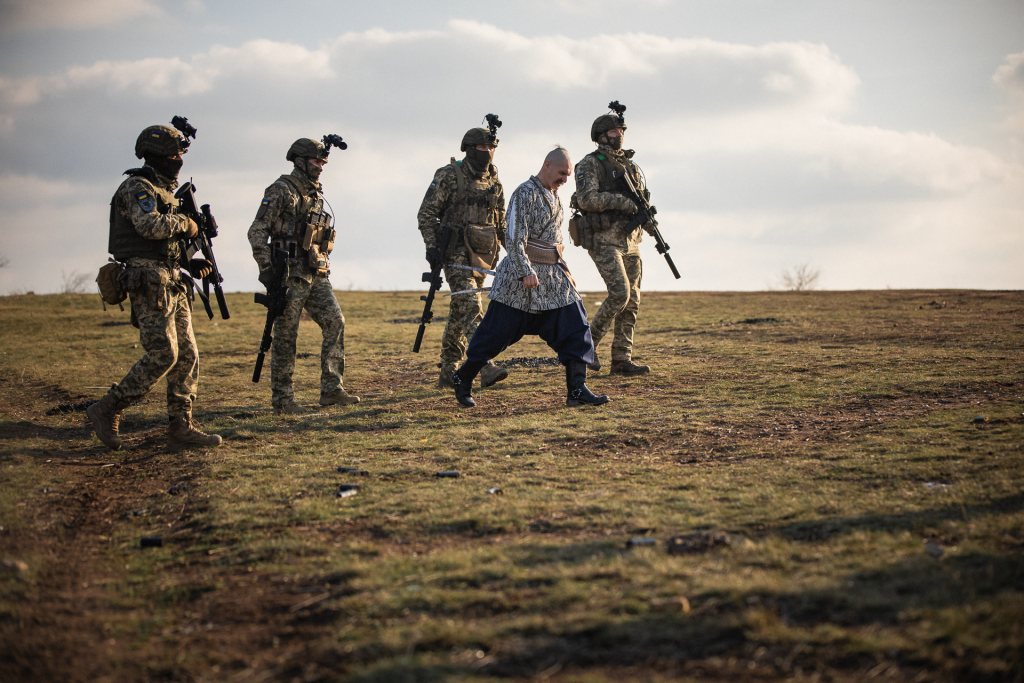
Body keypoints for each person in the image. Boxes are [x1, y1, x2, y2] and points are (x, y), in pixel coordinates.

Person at [87, 123, 222, 450]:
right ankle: (108, 408)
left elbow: (166, 244)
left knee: (188, 355)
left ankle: (180, 427)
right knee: (164, 353)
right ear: (158, 156)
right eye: (174, 154)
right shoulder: (138, 187)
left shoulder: (165, 193)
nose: (179, 160)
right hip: (147, 280)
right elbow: (148, 226)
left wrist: (190, 263)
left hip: (172, 279)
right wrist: (187, 224)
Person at [451, 147, 610, 409]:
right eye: (562, 173)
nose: (565, 180)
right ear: (547, 165)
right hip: (520, 278)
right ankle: (463, 377)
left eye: (568, 175)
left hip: (554, 277)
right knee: (495, 334)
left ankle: (577, 390)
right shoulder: (524, 193)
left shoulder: (556, 196)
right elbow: (514, 237)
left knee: (575, 326)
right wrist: (525, 270)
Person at [247, 138, 358, 415]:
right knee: (286, 336)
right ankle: (283, 400)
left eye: (323, 163)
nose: (320, 167)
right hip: (287, 275)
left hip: (315, 273)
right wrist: (266, 270)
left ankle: (332, 390)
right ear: (299, 160)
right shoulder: (281, 190)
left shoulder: (316, 195)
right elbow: (257, 231)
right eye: (315, 161)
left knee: (336, 321)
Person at [417, 120, 510, 390]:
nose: (487, 151)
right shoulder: (449, 174)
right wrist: (432, 247)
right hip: (455, 250)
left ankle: (449, 372)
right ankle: (484, 366)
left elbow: (501, 220)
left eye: (491, 147)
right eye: (482, 147)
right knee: (471, 304)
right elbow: (426, 213)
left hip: (483, 251)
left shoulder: (494, 177)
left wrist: (514, 253)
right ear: (469, 149)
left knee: (459, 312)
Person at [571, 104, 652, 376]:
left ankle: (621, 360)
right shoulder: (590, 164)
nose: (619, 135)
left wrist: (648, 223)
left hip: (631, 241)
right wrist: (622, 202)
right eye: (614, 131)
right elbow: (586, 199)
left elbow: (640, 202)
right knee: (620, 293)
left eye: (621, 130)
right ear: (601, 135)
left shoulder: (631, 166)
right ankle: (586, 348)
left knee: (633, 301)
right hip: (604, 239)